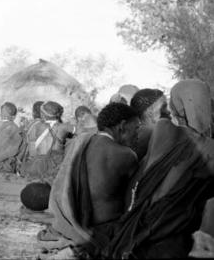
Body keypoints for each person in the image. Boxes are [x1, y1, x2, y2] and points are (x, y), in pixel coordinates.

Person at [103, 85, 214, 259]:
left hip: (133, 228)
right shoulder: (170, 136)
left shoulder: (142, 138)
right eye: (164, 109)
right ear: (150, 114)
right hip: (161, 232)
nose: (169, 113)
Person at [37, 103, 139, 255]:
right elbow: (131, 203)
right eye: (136, 128)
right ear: (122, 126)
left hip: (67, 225)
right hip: (103, 230)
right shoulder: (126, 155)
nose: (138, 134)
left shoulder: (79, 142)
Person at [130, 88, 170, 160]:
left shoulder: (138, 133)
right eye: (164, 107)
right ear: (150, 111)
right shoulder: (151, 133)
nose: (168, 111)